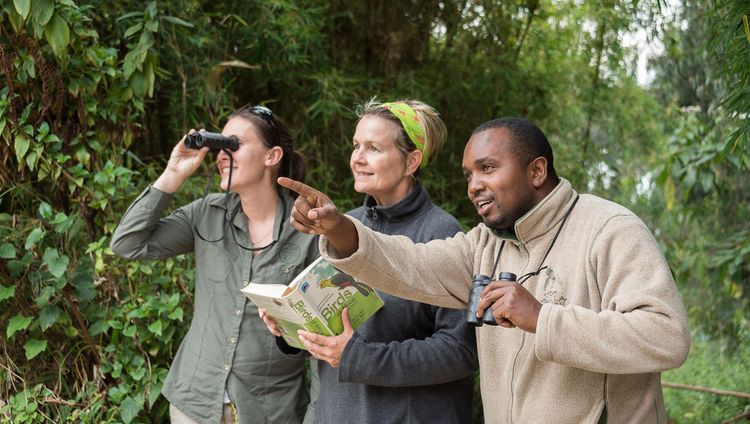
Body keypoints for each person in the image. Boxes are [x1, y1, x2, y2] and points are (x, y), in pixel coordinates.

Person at [276, 117, 691, 423]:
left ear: (537, 171)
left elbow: (666, 335)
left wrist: (544, 319)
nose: (474, 184)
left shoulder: (609, 230)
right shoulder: (485, 243)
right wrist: (341, 229)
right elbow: (410, 263)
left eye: (488, 169)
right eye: (469, 174)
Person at [262, 99, 478, 423]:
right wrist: (291, 326)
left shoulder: (442, 233)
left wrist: (361, 358)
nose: (357, 159)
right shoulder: (344, 224)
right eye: (356, 145)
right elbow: (335, 328)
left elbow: (459, 351)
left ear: (411, 162)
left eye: (374, 148)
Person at [110, 105, 318, 424]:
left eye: (233, 144)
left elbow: (320, 336)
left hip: (270, 411)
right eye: (220, 145)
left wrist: (317, 414)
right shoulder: (207, 213)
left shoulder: (307, 232)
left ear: (272, 156)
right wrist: (174, 172)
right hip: (194, 402)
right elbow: (128, 244)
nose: (222, 154)